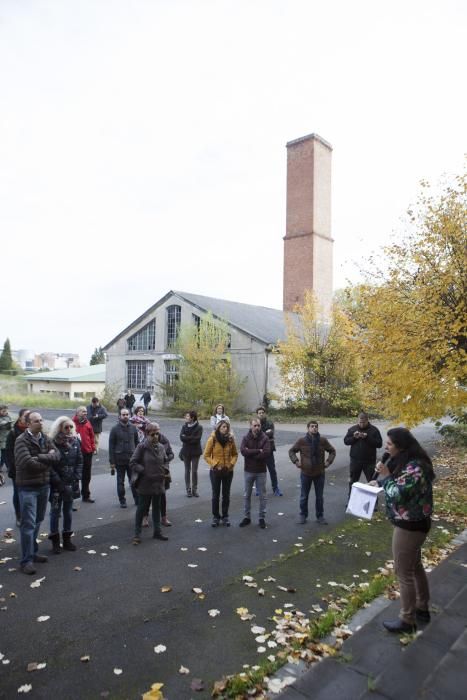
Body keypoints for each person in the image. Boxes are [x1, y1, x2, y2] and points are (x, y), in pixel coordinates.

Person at [373, 428, 435, 633]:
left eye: (389, 444)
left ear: (401, 445)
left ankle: (407, 619)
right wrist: (379, 481)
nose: (386, 447)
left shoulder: (416, 467)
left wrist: (386, 477)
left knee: (403, 571)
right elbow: (396, 485)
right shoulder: (407, 461)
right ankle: (422, 607)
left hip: (410, 526)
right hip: (412, 523)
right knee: (415, 566)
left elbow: (397, 494)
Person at [14, 412, 60, 574]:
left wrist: (40, 457)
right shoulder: (21, 441)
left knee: (38, 520)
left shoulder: (45, 438)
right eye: (36, 421)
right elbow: (27, 463)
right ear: (28, 424)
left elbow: (58, 456)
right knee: (28, 524)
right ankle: (25, 561)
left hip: (43, 486)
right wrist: (47, 459)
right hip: (27, 488)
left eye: (41, 420)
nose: (40, 423)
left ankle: (32, 553)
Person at [289, 420, 336, 525]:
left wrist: (328, 462)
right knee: (304, 496)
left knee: (319, 496)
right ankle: (303, 515)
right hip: (306, 473)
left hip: (319, 472)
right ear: (308, 428)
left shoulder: (322, 441)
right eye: (312, 426)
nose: (314, 428)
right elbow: (291, 451)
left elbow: (332, 451)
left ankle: (320, 516)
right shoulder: (302, 441)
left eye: (316, 426)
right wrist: (296, 461)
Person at [48, 417, 83, 554]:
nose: (69, 430)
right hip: (57, 485)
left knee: (68, 512)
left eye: (70, 427)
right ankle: (55, 542)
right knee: (55, 513)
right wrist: (58, 481)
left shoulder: (75, 442)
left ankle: (67, 540)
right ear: (59, 428)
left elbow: (80, 461)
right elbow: (50, 466)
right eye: (66, 427)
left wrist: (76, 476)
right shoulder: (52, 443)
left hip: (71, 483)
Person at [130, 423, 169, 544]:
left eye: (158, 433)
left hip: (158, 482)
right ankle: (137, 535)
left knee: (157, 508)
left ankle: (157, 532)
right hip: (145, 483)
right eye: (153, 434)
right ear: (147, 434)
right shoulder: (142, 447)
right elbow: (133, 463)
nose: (156, 436)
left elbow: (166, 461)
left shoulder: (161, 447)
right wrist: (144, 471)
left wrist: (165, 471)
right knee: (141, 509)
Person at [204, 419, 238, 527]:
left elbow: (235, 454)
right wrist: (215, 464)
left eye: (227, 427)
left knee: (226, 495)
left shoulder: (231, 440)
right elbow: (206, 455)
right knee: (215, 495)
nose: (225, 429)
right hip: (215, 471)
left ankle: (225, 516)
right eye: (223, 427)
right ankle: (216, 517)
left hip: (228, 471)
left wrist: (230, 465)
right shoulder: (212, 439)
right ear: (218, 428)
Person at [239, 418, 270, 529]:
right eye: (255, 425)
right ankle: (247, 517)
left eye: (258, 425)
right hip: (248, 470)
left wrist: (250, 453)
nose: (257, 427)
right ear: (250, 426)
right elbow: (243, 451)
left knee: (262, 496)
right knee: (247, 495)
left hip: (261, 471)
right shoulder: (245, 438)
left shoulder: (265, 438)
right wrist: (257, 451)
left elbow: (266, 453)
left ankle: (261, 518)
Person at [344, 412, 382, 500]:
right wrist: (354, 437)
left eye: (363, 422)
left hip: (369, 461)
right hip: (355, 460)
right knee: (353, 481)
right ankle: (351, 500)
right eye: (360, 422)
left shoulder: (374, 430)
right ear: (357, 420)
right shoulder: (352, 429)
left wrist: (367, 438)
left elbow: (379, 444)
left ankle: (373, 503)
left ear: (367, 420)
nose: (361, 424)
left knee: (371, 482)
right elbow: (346, 441)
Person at [109, 408, 139, 508]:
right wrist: (112, 461)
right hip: (119, 460)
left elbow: (137, 443)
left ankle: (137, 499)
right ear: (119, 416)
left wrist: (138, 457)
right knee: (120, 482)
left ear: (129, 415)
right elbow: (111, 446)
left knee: (134, 480)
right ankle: (122, 500)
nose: (125, 416)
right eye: (123, 414)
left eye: (127, 414)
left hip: (132, 459)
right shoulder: (114, 429)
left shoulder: (133, 428)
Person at [4, 408, 30, 525]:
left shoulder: (32, 431)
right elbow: (8, 452)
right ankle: (19, 516)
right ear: (20, 418)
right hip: (17, 469)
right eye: (26, 416)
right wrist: (12, 467)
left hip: (31, 468)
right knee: (18, 492)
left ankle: (28, 514)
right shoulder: (13, 433)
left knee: (29, 493)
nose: (29, 417)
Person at [256, 406, 282, 496]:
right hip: (258, 450)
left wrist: (261, 434)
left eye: (263, 412)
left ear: (265, 413)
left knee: (272, 470)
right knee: (258, 470)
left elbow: (271, 433)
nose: (261, 414)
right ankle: (258, 489)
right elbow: (255, 435)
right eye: (259, 413)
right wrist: (265, 433)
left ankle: (275, 488)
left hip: (269, 450)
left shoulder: (270, 423)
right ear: (257, 414)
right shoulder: (255, 423)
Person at [73, 406, 96, 502]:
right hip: (75, 453)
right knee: (75, 476)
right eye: (83, 412)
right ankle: (72, 498)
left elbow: (92, 436)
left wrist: (93, 448)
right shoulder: (71, 423)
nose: (85, 413)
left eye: (86, 412)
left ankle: (86, 495)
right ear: (77, 413)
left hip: (87, 452)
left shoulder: (87, 423)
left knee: (87, 475)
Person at [180, 410, 203, 497]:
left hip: (195, 452)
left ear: (192, 418)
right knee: (187, 470)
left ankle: (194, 489)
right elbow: (181, 437)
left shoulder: (199, 427)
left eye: (187, 416)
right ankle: (188, 489)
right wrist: (190, 438)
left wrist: (186, 437)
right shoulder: (184, 426)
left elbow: (197, 439)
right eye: (186, 416)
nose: (186, 418)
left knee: (194, 471)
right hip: (186, 451)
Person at [0, 404, 13, 485]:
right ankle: (8, 466)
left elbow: (10, 426)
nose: (5, 412)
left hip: (7, 438)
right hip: (1, 439)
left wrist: (9, 425)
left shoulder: (8, 417)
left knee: (5, 453)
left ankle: (5, 466)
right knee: (4, 453)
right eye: (3, 411)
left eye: (6, 411)